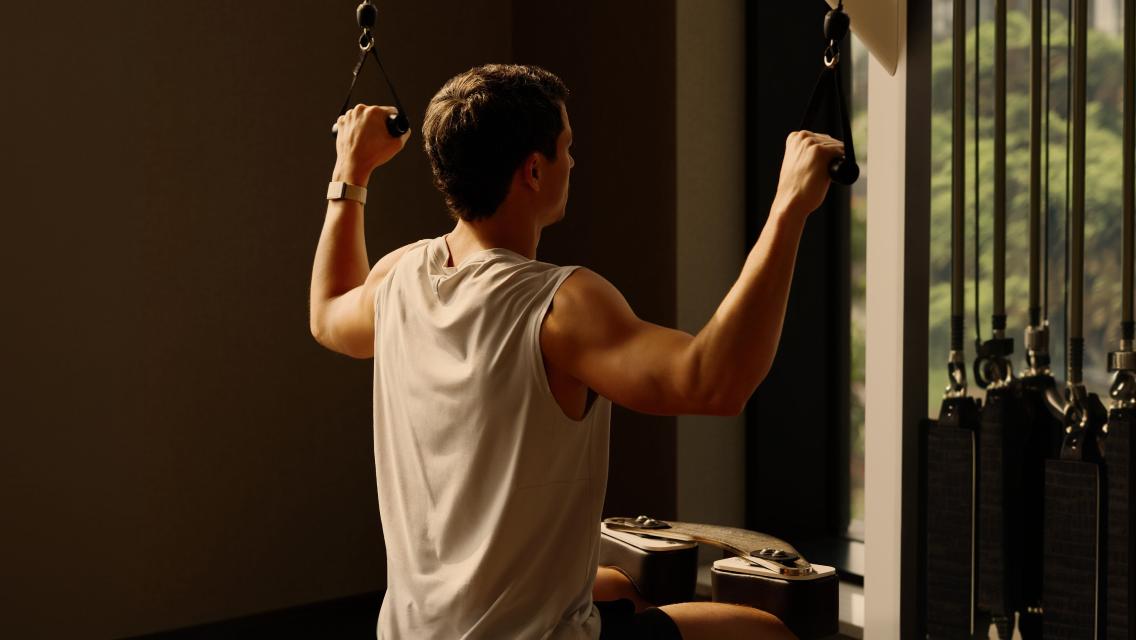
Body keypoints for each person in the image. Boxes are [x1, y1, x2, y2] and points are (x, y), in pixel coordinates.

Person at [310, 64, 842, 640]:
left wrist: (351, 170)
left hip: (414, 631)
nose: (574, 162)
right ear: (533, 171)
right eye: (567, 148)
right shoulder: (559, 305)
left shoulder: (397, 277)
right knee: (768, 627)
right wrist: (789, 208)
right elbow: (714, 382)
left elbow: (328, 311)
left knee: (624, 584)